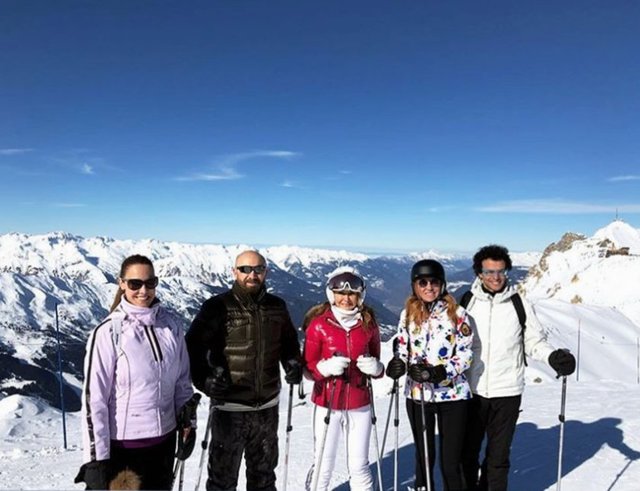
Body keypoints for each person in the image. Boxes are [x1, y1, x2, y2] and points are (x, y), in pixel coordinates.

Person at [459, 244, 576, 491]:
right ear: (479, 273)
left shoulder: (519, 303)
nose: (496, 277)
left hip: (508, 391)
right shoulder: (467, 302)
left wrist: (553, 356)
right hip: (472, 390)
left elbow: (533, 341)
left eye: (501, 271)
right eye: (489, 272)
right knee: (467, 453)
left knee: (498, 458)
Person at [75, 254, 196, 490]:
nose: (143, 290)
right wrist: (96, 461)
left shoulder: (171, 326)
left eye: (150, 283)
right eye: (135, 284)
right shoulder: (108, 332)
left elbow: (182, 382)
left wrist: (188, 424)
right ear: (122, 284)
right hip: (124, 449)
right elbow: (94, 401)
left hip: (164, 445)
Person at [186, 250, 302, 491]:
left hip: (267, 409)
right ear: (234, 272)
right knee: (222, 481)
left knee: (264, 478)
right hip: (230, 409)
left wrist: (292, 362)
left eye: (258, 269)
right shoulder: (217, 307)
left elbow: (289, 342)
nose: (252, 274)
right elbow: (193, 348)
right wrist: (205, 381)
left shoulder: (277, 307)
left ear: (266, 272)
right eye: (245, 269)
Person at [386, 259, 473, 491]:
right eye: (422, 282)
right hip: (418, 394)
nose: (428, 287)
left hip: (452, 394)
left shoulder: (458, 314)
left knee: (450, 460)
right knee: (424, 456)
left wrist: (441, 371)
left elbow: (466, 354)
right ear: (414, 286)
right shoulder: (408, 314)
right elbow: (402, 346)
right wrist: (398, 364)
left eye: (434, 282)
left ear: (442, 284)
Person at [303, 266, 384, 491]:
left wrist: (376, 368)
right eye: (340, 293)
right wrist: (324, 368)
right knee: (323, 463)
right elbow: (307, 367)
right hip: (327, 401)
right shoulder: (319, 325)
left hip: (360, 402)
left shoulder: (368, 325)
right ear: (331, 294)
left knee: (359, 464)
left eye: (351, 293)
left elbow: (377, 364)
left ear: (360, 295)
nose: (346, 299)